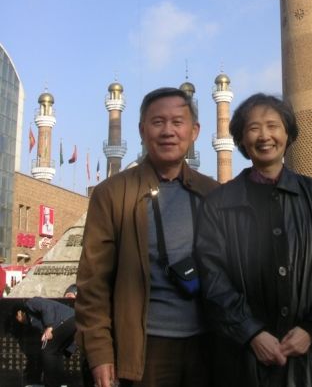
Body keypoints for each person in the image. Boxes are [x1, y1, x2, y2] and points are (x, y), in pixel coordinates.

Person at [195, 93, 312, 387]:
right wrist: (251, 332)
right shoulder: (219, 203)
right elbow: (212, 277)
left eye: (273, 126)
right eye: (254, 128)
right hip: (245, 360)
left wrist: (311, 327)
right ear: (241, 139)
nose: (264, 136)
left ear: (288, 133)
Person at [75, 87, 219, 387]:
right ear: (142, 130)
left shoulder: (213, 194)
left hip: (208, 346)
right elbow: (93, 282)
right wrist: (100, 352)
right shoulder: (113, 194)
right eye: (158, 122)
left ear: (194, 131)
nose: (168, 131)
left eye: (177, 122)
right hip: (144, 350)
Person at [9, 296, 76, 387]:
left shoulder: (31, 303)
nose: (19, 322)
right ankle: (57, 382)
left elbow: (47, 306)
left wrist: (49, 327)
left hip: (67, 319)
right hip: (71, 322)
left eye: (16, 319)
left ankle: (51, 384)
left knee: (47, 350)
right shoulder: (32, 321)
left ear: (19, 313)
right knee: (56, 352)